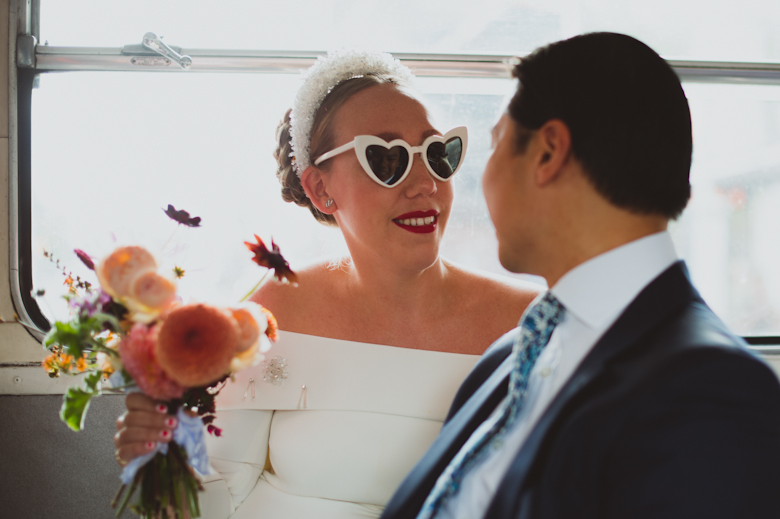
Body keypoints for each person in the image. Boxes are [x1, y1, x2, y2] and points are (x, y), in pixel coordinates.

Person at [113, 50, 540, 519]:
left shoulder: (528, 323)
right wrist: (162, 464)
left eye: (438, 153)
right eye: (386, 158)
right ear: (320, 189)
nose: (425, 182)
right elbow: (216, 499)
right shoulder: (276, 312)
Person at [380, 32, 780, 519]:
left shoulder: (714, 394)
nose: (477, 183)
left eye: (496, 146)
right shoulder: (511, 355)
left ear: (549, 153)